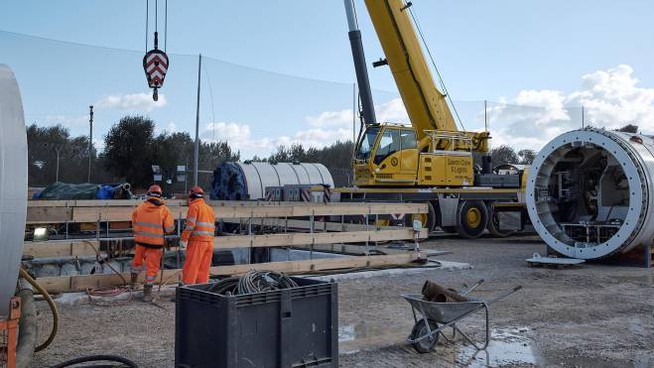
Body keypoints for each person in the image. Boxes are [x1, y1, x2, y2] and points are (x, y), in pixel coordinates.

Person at [130, 184, 175, 301]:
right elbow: (169, 229)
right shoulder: (164, 210)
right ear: (160, 196)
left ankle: (132, 284)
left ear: (148, 195)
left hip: (140, 242)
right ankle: (147, 293)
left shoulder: (139, 208)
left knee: (137, 262)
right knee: (152, 268)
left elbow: (134, 225)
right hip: (155, 244)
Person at [180, 186, 215, 284]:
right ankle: (201, 291)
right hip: (209, 243)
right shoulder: (209, 208)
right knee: (203, 270)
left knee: (191, 268)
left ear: (191, 195)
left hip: (197, 243)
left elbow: (190, 226)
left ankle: (187, 292)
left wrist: (183, 239)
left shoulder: (194, 207)